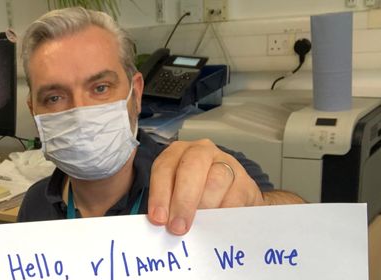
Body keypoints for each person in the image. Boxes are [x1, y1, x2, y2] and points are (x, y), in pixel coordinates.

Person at [17, 7, 303, 231]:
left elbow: (306, 231)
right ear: (35, 112)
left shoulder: (205, 175)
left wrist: (258, 205)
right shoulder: (35, 205)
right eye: (54, 97)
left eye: (100, 88)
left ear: (136, 93)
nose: (80, 111)